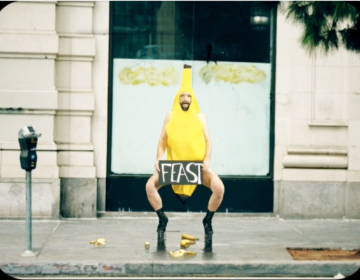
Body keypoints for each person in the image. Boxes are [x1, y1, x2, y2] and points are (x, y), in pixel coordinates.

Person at [145, 64, 225, 241]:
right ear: (177, 98)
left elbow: (208, 141)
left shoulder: (200, 117)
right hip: (175, 167)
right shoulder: (170, 115)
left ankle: (208, 220)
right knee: (150, 186)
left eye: (188, 95)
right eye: (182, 95)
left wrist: (207, 160)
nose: (185, 98)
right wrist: (159, 159)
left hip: (196, 167)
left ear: (193, 99)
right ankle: (162, 219)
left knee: (219, 188)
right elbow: (162, 140)